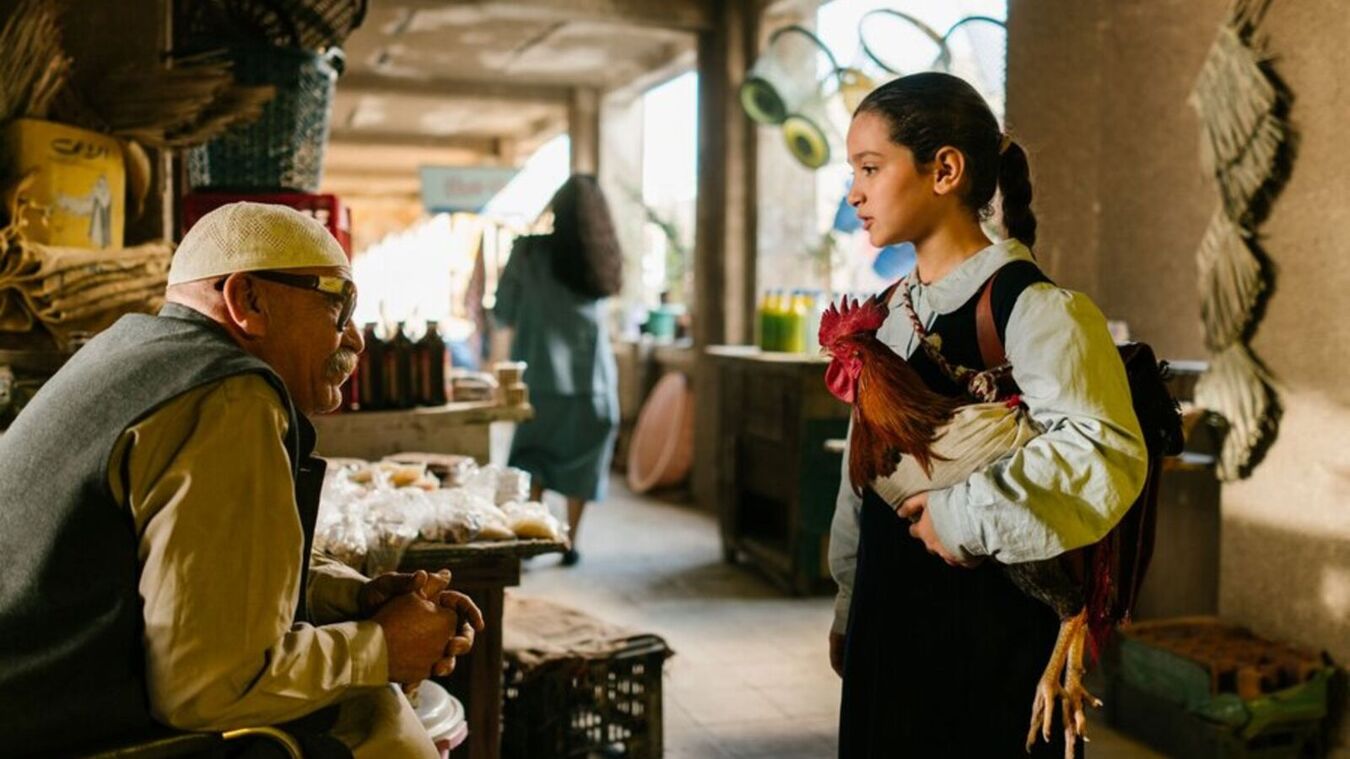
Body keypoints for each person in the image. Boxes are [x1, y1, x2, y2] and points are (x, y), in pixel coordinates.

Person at [0, 202, 484, 757]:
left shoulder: (128, 351)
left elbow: (199, 574)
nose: (355, 339)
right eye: (338, 305)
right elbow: (206, 687)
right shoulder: (231, 398)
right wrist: (383, 648)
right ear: (247, 301)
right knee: (380, 721)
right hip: (54, 732)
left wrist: (353, 597)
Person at [827, 72, 1148, 757]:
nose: (854, 190)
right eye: (852, 169)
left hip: (991, 631)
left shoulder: (1034, 310)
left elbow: (1105, 450)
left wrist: (961, 514)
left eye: (870, 167)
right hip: (891, 615)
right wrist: (848, 599)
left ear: (944, 169)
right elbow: (861, 481)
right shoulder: (889, 313)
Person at [493, 175, 622, 566]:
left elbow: (503, 311)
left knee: (533, 460)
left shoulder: (529, 254)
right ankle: (569, 540)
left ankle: (534, 538)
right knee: (584, 463)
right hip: (594, 383)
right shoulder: (602, 258)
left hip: (541, 381)